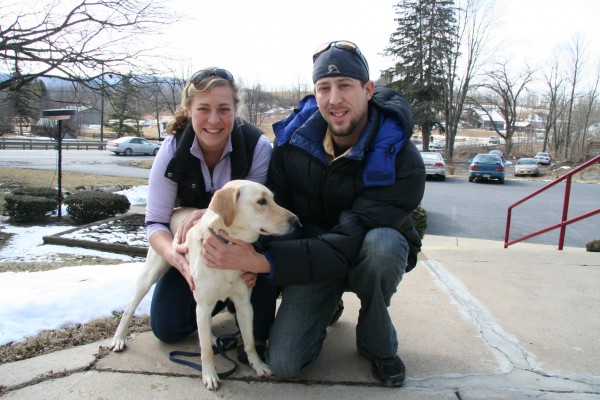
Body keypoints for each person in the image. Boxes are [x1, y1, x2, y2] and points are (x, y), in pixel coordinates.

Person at [201, 41, 425, 387]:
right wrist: (244, 255)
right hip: (313, 254)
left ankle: (375, 339)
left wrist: (265, 263)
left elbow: (350, 239)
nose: (334, 99)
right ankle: (326, 302)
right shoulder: (292, 143)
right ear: (315, 94)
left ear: (368, 90)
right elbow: (273, 216)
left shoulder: (401, 158)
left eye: (345, 86)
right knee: (286, 362)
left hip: (362, 250)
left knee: (383, 244)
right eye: (324, 88)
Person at [144, 67, 273, 347]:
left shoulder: (256, 147)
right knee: (168, 327)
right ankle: (214, 299)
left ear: (236, 110)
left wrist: (251, 260)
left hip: (241, 248)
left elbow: (259, 216)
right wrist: (177, 259)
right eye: (203, 108)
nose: (214, 120)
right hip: (193, 251)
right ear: (189, 109)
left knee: (262, 332)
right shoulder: (172, 151)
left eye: (224, 109)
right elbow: (155, 222)